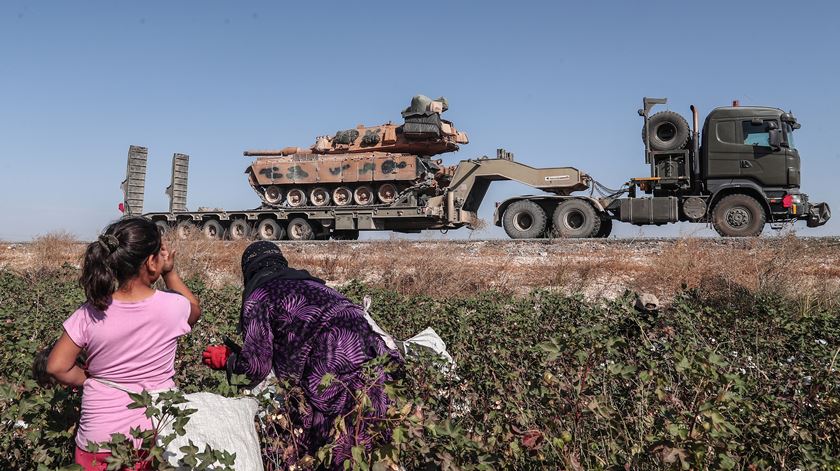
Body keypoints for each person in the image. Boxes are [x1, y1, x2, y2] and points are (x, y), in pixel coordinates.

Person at [202, 241, 401, 467]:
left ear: (249, 270)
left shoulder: (259, 295)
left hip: (333, 354)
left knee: (335, 438)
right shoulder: (309, 282)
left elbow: (256, 367)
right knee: (372, 423)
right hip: (375, 342)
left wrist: (228, 359)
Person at [46, 217, 201, 470]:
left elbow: (56, 367)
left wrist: (91, 379)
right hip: (155, 433)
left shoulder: (90, 312)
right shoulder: (173, 307)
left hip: (98, 437)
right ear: (152, 262)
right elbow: (194, 308)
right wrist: (170, 273)